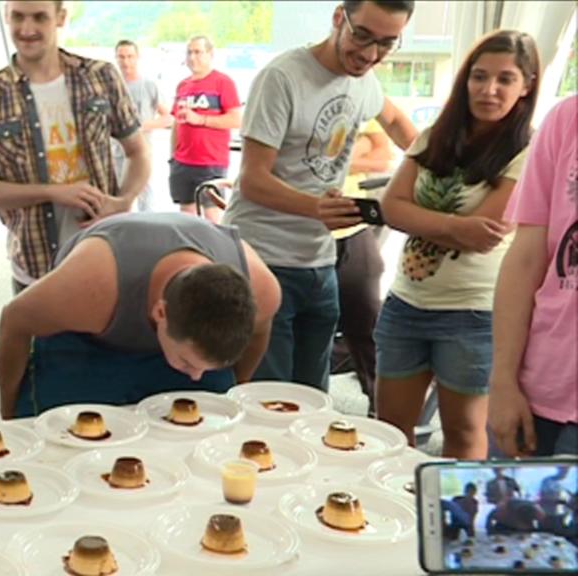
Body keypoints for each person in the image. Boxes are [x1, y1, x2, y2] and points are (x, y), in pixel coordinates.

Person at [224, 0, 417, 391]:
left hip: (319, 263)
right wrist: (315, 208)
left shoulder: (364, 81)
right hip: (264, 259)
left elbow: (395, 121)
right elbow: (252, 180)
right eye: (361, 35)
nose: (369, 53)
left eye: (386, 43)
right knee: (269, 399)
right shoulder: (283, 77)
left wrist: (438, 163)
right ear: (337, 18)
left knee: (313, 398)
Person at [375, 31, 540, 460]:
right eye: (479, 76)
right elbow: (390, 206)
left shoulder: (529, 149)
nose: (489, 89)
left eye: (505, 79)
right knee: (389, 434)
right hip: (406, 303)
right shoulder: (435, 136)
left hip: (473, 313)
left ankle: (455, 527)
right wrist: (453, 228)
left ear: (527, 86)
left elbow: (486, 230)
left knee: (464, 436)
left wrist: (418, 218)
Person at [0, 212, 280, 418]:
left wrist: (236, 386)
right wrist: (8, 412)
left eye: (207, 366)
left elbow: (259, 332)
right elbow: (14, 320)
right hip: (90, 338)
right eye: (187, 362)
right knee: (57, 430)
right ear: (160, 312)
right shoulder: (92, 286)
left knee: (215, 417)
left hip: (173, 334)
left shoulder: (262, 290)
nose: (196, 377)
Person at [0, 0, 151, 293]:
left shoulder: (100, 77)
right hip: (35, 268)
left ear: (60, 17)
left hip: (105, 256)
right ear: (7, 16)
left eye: (39, 17)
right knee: (41, 341)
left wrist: (123, 201)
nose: (27, 29)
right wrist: (53, 192)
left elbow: (138, 152)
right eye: (18, 17)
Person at [488, 95, 578, 459]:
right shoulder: (567, 119)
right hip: (539, 392)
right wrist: (503, 380)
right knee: (509, 515)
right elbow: (526, 258)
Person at [332, 121, 395, 415]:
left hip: (353, 230)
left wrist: (341, 163)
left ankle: (379, 411)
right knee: (310, 332)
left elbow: (383, 157)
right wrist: (357, 153)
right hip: (302, 236)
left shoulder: (361, 97)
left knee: (369, 327)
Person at [169, 36, 241, 222]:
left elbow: (236, 119)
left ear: (210, 54)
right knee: (186, 217)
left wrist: (201, 119)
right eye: (189, 52)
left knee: (211, 217)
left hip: (210, 162)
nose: (193, 57)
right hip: (183, 162)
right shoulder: (182, 86)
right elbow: (177, 122)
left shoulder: (222, 82)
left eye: (198, 52)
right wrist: (173, 156)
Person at [113, 39, 171, 213]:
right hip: (116, 152)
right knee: (119, 198)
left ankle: (148, 236)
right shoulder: (111, 85)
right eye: (121, 57)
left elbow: (168, 118)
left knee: (145, 196)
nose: (126, 61)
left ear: (137, 58)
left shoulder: (148, 85)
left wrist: (141, 126)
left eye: (130, 56)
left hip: (141, 151)